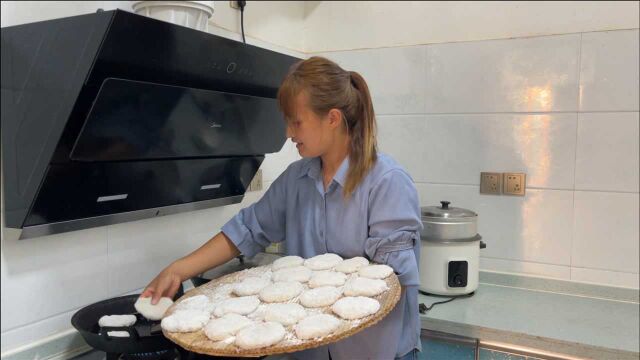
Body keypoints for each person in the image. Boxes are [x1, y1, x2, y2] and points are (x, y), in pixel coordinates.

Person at [141, 56, 423, 360]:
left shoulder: (386, 184)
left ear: (332, 119)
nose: (288, 133)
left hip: (371, 352)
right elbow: (247, 230)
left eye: (296, 121)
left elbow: (393, 284)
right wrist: (179, 269)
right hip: (310, 352)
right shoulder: (296, 180)